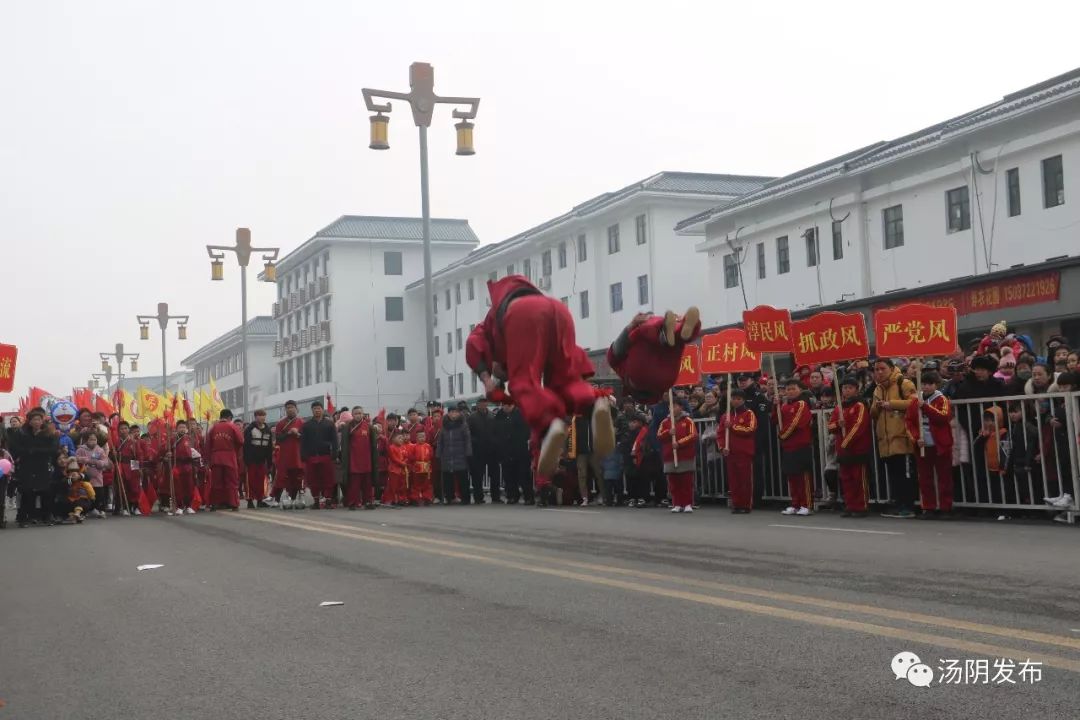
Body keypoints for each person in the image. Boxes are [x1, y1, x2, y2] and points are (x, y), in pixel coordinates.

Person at [466, 274, 612, 478]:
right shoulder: (533, 301)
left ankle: (549, 422)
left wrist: (487, 379)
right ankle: (593, 404)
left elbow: (473, 344)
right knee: (565, 382)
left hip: (524, 313)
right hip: (559, 310)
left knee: (524, 383)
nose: (504, 377)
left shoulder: (488, 326)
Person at [606, 309, 702, 405]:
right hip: (643, 375)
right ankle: (678, 330)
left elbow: (613, 353)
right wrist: (632, 325)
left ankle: (680, 331)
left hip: (665, 379)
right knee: (648, 332)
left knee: (676, 343)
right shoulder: (645, 325)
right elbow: (612, 354)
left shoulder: (623, 369)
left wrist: (631, 326)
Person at [871, 358, 917, 519]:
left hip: (901, 437)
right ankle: (898, 504)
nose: (879, 372)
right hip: (886, 440)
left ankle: (908, 506)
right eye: (876, 369)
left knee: (904, 474)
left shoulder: (903, 383)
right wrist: (876, 407)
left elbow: (914, 403)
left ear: (891, 368)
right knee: (893, 475)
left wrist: (891, 404)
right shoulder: (877, 389)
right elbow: (873, 413)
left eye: (882, 368)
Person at [905, 371, 955, 519]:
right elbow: (908, 421)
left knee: (944, 477)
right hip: (923, 444)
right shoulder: (915, 401)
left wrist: (925, 407)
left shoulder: (942, 399)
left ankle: (945, 507)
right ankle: (928, 507)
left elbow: (943, 417)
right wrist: (915, 438)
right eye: (924, 384)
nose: (926, 387)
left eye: (929, 384)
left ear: (936, 385)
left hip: (940, 444)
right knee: (925, 478)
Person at [828, 378, 872, 517]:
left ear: (856, 389)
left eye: (850, 388)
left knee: (859, 478)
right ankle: (850, 505)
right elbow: (830, 426)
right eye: (844, 388)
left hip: (857, 448)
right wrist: (838, 425)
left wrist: (846, 442)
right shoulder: (839, 407)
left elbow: (858, 426)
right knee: (846, 479)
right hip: (843, 449)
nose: (846, 391)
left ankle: (861, 506)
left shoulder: (860, 405)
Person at [10, 408, 61, 527]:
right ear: (30, 421)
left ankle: (47, 516)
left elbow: (53, 450)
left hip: (43, 465)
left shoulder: (49, 434)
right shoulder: (22, 433)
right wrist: (28, 452)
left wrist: (35, 451)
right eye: (34, 419)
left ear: (42, 421)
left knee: (46, 491)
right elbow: (16, 448)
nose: (37, 422)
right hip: (27, 465)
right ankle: (24, 518)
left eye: (39, 419)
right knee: (27, 491)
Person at [775, 379, 813, 516]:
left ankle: (806, 504)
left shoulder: (802, 404)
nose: (790, 392)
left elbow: (796, 423)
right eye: (788, 389)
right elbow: (775, 419)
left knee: (802, 476)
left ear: (800, 390)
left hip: (800, 445)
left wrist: (783, 435)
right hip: (788, 446)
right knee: (792, 476)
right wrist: (776, 406)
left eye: (793, 389)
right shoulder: (784, 406)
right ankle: (795, 503)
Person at [716, 389, 757, 514]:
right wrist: (722, 447)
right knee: (733, 480)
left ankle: (746, 505)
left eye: (739, 399)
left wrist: (732, 426)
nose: (736, 401)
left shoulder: (749, 414)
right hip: (730, 452)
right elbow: (720, 434)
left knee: (745, 480)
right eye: (734, 398)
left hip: (744, 452)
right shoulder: (725, 416)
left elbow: (750, 429)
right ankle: (736, 504)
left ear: (743, 400)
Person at [657, 401, 697, 513]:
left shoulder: (688, 421)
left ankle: (688, 503)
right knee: (673, 482)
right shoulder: (665, 422)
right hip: (670, 455)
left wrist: (679, 443)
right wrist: (668, 433)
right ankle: (677, 503)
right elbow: (659, 436)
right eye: (670, 406)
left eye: (674, 406)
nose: (672, 408)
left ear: (681, 407)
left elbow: (693, 435)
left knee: (686, 481)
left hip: (685, 455)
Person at [301, 401, 339, 509]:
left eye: (319, 408)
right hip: (311, 457)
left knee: (328, 479)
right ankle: (316, 501)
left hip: (326, 455)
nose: (317, 410)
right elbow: (303, 442)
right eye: (315, 408)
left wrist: (334, 454)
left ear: (323, 410)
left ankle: (328, 500)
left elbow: (335, 441)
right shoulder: (306, 425)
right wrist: (303, 455)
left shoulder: (330, 424)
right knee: (313, 480)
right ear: (312, 410)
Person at [494, 400, 532, 504]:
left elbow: (527, 431)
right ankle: (512, 496)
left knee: (523, 474)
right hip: (505, 450)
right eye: (503, 405)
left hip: (520, 449)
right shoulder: (499, 415)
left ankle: (528, 497)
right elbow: (496, 431)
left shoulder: (520, 414)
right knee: (508, 475)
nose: (504, 408)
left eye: (506, 405)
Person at [206, 409, 244, 511]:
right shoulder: (232, 426)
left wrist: (208, 459)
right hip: (229, 457)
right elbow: (240, 441)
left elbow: (208, 445)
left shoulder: (213, 428)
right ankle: (233, 503)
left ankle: (216, 503)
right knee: (231, 481)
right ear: (230, 418)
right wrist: (234, 450)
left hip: (216, 457)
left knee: (217, 481)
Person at [340, 406, 376, 510]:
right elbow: (344, 444)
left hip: (367, 460)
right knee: (354, 485)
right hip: (353, 460)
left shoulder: (369, 427)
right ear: (352, 415)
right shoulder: (347, 427)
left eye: (360, 413)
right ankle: (353, 503)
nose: (358, 415)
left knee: (367, 484)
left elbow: (373, 445)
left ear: (363, 414)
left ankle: (368, 502)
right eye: (356, 413)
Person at [436, 404, 472, 505]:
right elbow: (440, 441)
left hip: (460, 455)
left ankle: (466, 498)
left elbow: (467, 440)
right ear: (448, 413)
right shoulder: (444, 425)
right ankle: (449, 497)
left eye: (456, 412)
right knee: (448, 479)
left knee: (463, 478)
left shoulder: (463, 425)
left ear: (459, 413)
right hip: (447, 456)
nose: (453, 414)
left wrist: (468, 452)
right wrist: (438, 453)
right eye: (451, 412)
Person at [272, 400, 305, 509]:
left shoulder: (302, 422)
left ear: (297, 409)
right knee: (283, 477)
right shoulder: (281, 423)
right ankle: (281, 498)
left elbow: (306, 438)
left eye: (292, 407)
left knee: (297, 477)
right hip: (285, 455)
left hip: (298, 455)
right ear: (285, 410)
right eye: (288, 408)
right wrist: (289, 433)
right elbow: (278, 438)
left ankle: (295, 498)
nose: (290, 409)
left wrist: (298, 434)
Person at [467, 398, 498, 503]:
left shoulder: (492, 416)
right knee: (477, 475)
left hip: (491, 450)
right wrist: (475, 441)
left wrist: (494, 441)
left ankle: (496, 497)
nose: (483, 405)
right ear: (477, 405)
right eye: (481, 403)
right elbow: (468, 434)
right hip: (477, 451)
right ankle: (478, 497)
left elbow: (496, 432)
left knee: (494, 474)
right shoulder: (472, 417)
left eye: (485, 403)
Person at [243, 409, 274, 509]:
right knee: (250, 481)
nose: (262, 417)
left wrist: (269, 463)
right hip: (251, 460)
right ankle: (250, 501)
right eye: (260, 415)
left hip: (262, 461)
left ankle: (260, 500)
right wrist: (246, 460)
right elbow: (246, 446)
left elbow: (269, 448)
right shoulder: (249, 429)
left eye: (263, 415)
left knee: (262, 481)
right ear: (255, 417)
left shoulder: (268, 430)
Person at [75, 431, 110, 518]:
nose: (93, 441)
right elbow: (76, 459)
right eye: (91, 439)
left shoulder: (100, 450)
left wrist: (96, 462)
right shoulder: (81, 449)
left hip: (97, 476)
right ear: (86, 440)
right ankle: (87, 510)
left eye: (95, 439)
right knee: (85, 494)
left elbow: (105, 462)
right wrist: (85, 460)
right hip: (85, 476)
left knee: (99, 494)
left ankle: (99, 509)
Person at [166, 419, 198, 514]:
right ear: (176, 429)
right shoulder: (172, 439)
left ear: (187, 429)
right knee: (178, 487)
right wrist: (168, 454)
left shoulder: (190, 439)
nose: (182, 429)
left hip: (188, 465)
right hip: (177, 465)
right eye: (180, 427)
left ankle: (188, 506)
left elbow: (196, 452)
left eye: (184, 427)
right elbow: (165, 451)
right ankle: (179, 506)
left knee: (189, 486)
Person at [112, 421, 143, 516]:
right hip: (120, 465)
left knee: (134, 487)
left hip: (131, 465)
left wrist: (137, 469)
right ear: (118, 431)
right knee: (122, 487)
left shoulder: (133, 442)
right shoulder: (116, 442)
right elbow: (111, 456)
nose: (124, 430)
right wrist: (115, 455)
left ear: (128, 430)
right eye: (121, 429)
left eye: (125, 428)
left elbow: (138, 455)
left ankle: (134, 507)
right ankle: (124, 507)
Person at [59, 458, 95, 524]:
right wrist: (71, 480)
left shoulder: (83, 476)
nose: (73, 472)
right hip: (69, 497)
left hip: (81, 496)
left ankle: (77, 514)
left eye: (75, 470)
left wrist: (79, 477)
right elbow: (63, 484)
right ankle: (73, 516)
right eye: (71, 471)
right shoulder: (65, 478)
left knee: (82, 501)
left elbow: (88, 478)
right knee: (64, 502)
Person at [383, 431, 409, 506]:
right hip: (394, 470)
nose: (401, 439)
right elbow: (393, 458)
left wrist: (405, 462)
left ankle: (401, 499)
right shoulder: (391, 447)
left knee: (402, 485)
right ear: (394, 439)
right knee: (393, 486)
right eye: (399, 438)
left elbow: (406, 456)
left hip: (402, 469)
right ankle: (390, 499)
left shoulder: (403, 447)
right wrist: (402, 463)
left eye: (402, 438)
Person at [408, 430, 435, 505]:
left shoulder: (428, 446)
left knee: (427, 484)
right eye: (420, 437)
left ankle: (427, 497)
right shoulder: (413, 446)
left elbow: (431, 455)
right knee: (416, 484)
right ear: (416, 438)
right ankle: (415, 498)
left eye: (423, 436)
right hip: (417, 468)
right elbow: (411, 457)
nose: (422, 438)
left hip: (426, 468)